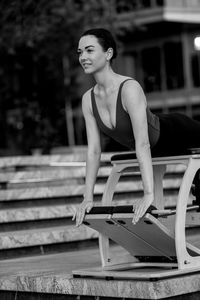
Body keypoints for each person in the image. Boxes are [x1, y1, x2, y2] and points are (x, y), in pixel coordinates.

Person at [73, 28, 200, 227]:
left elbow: (142, 143)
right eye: (80, 52)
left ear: (108, 54)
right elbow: (94, 151)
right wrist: (87, 198)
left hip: (176, 132)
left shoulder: (129, 88)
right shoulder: (87, 99)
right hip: (156, 144)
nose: (83, 57)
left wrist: (148, 194)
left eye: (89, 50)